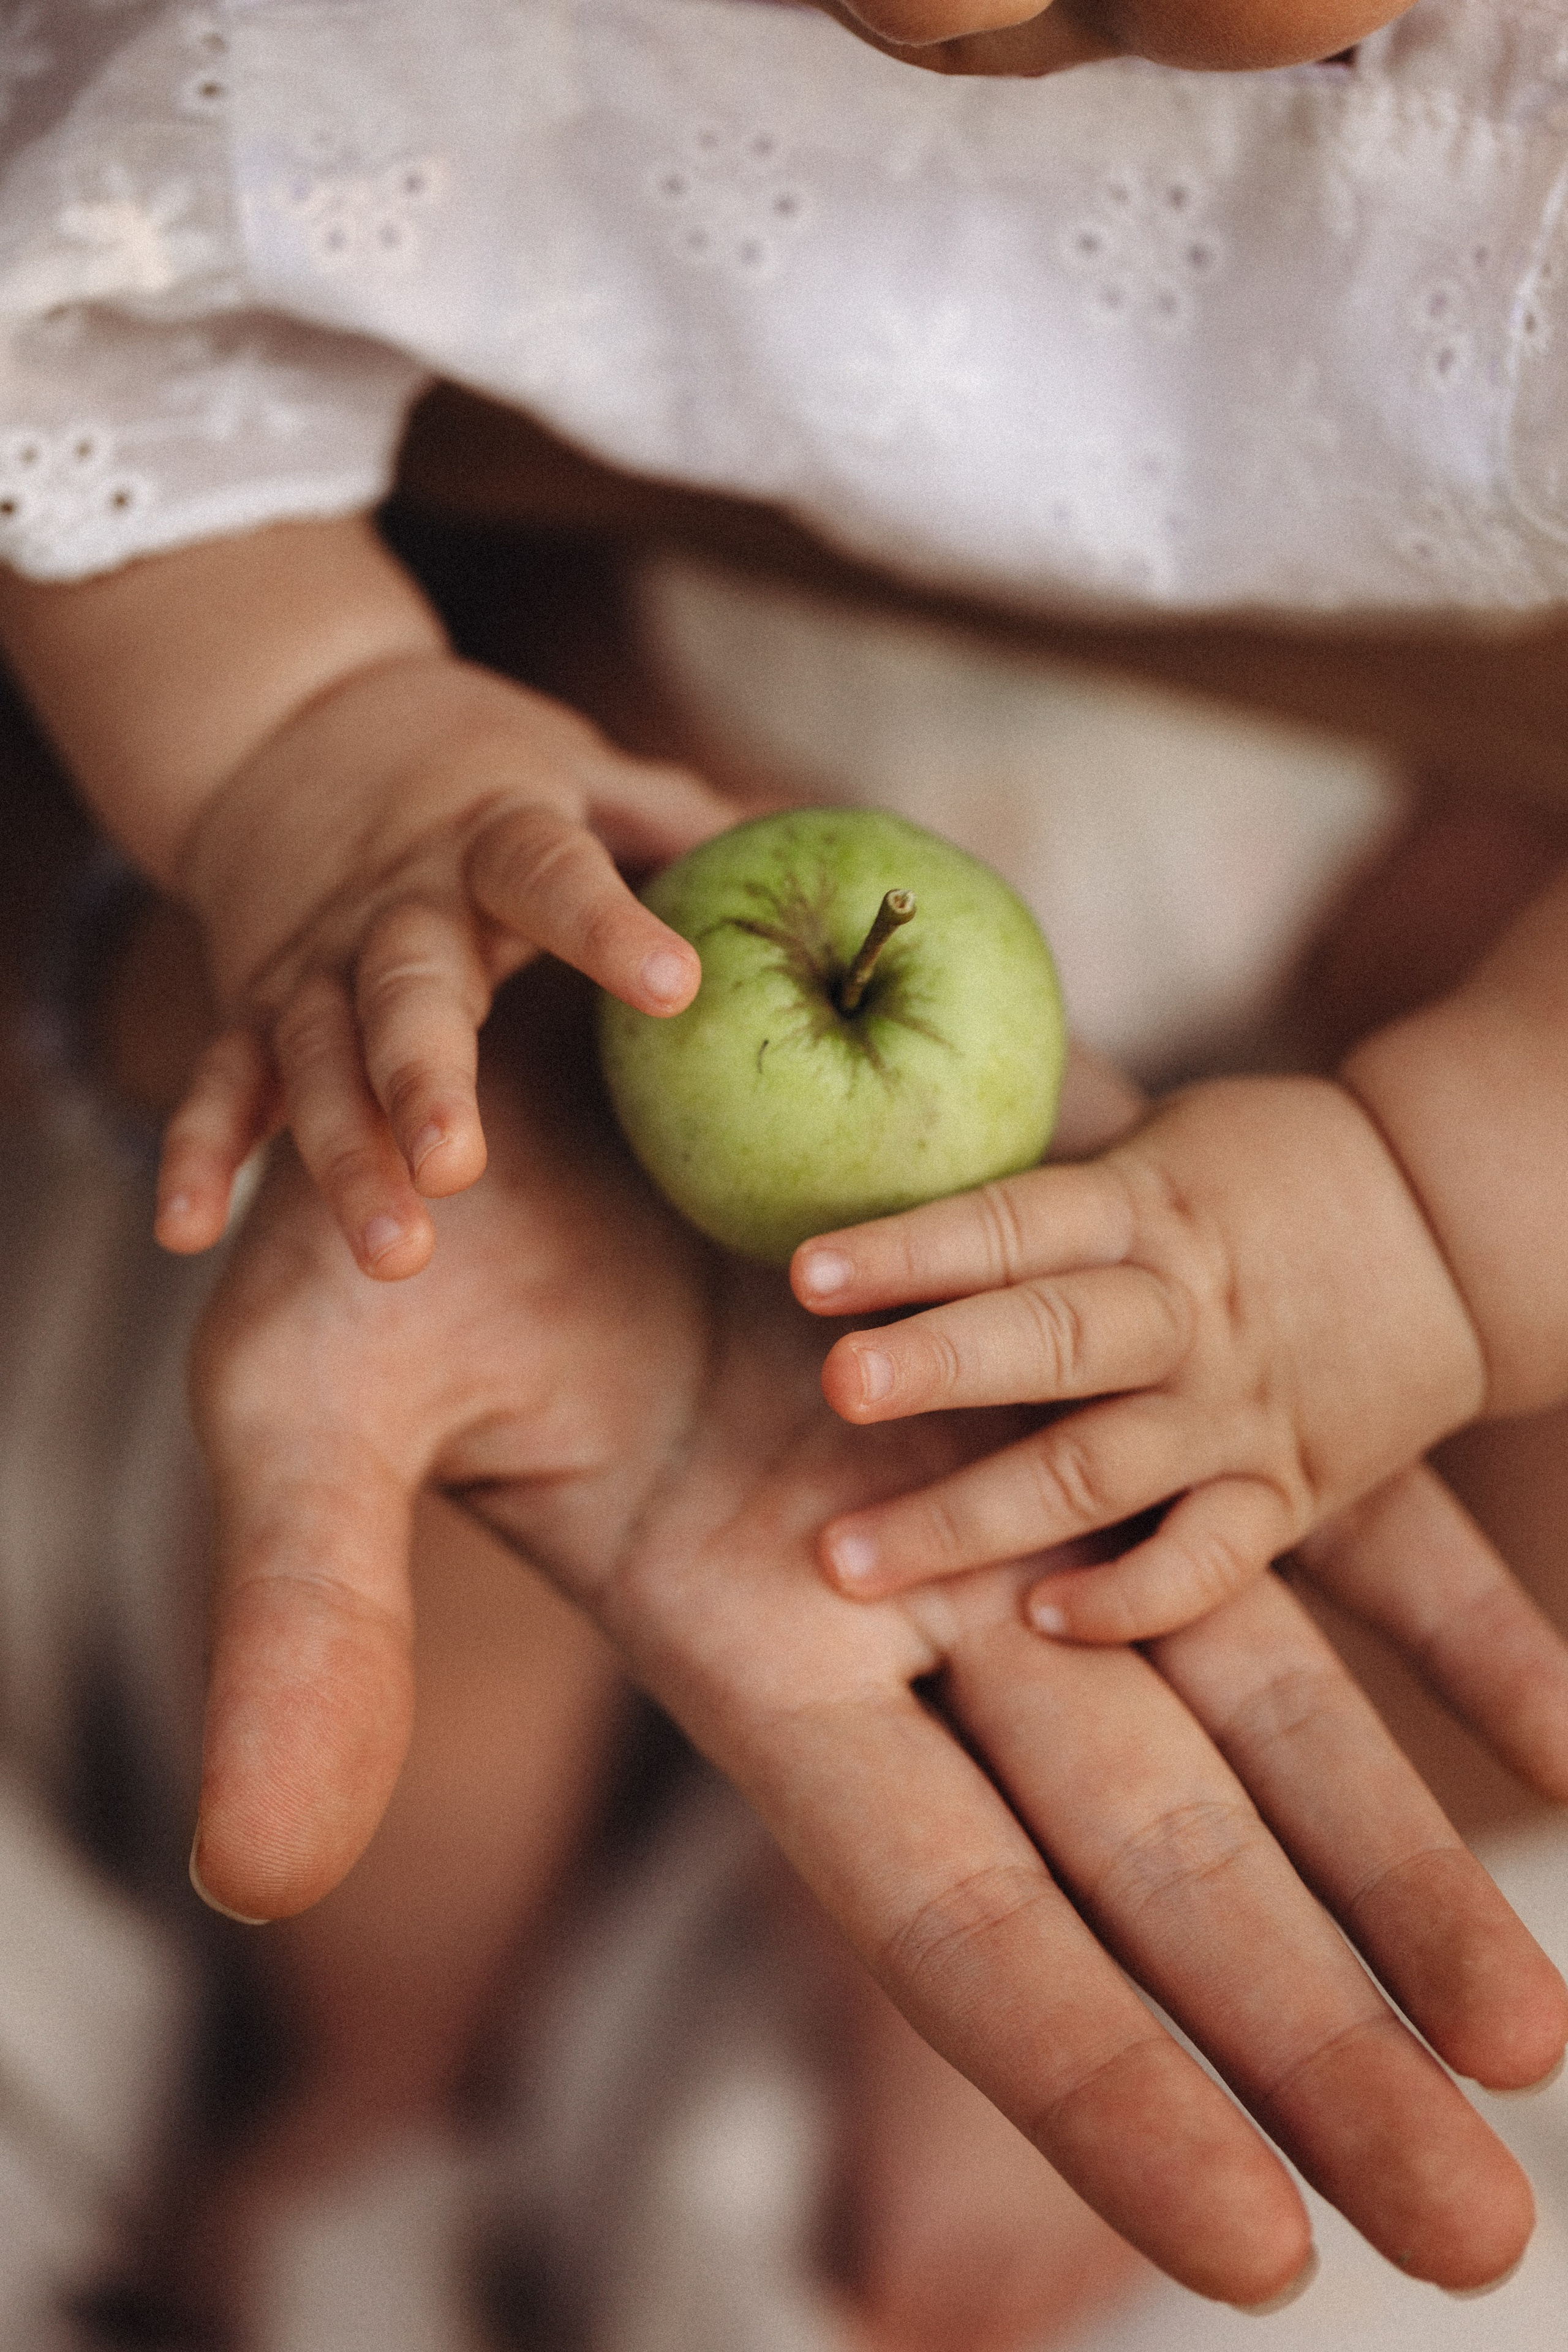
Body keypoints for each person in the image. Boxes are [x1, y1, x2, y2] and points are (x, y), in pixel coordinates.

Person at [3, 0, 1568, 2328]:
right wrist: (317, 749)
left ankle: (1081, 1934)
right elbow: (93, 330)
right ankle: (382, 2065)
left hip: (1432, 846)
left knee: (1498, 1552)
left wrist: (1451, 1218)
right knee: (479, 1477)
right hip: (668, 760)